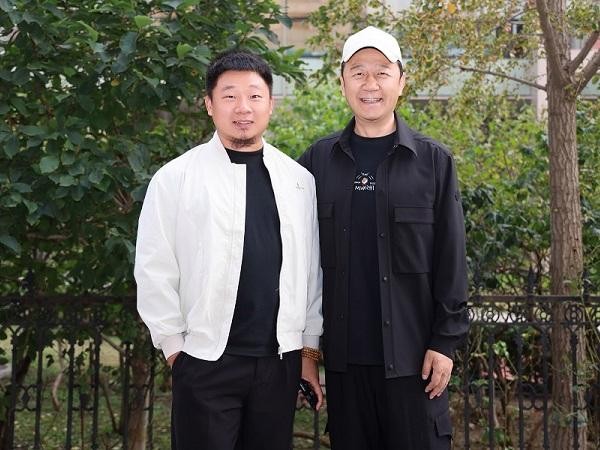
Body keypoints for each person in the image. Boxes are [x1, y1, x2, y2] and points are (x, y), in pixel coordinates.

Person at [135, 50, 323, 450]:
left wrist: (308, 351)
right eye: (230, 96)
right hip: (204, 361)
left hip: (279, 363)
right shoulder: (175, 178)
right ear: (209, 104)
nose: (243, 108)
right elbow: (154, 269)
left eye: (254, 96)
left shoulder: (298, 181)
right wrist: (175, 350)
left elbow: (311, 272)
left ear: (271, 104)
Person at [298, 26, 469, 450]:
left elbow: (452, 258)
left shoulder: (433, 162)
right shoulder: (316, 162)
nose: (370, 83)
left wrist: (444, 343)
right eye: (358, 72)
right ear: (342, 83)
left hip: (415, 364)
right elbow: (299, 264)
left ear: (401, 81)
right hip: (344, 368)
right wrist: (308, 354)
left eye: (382, 72)